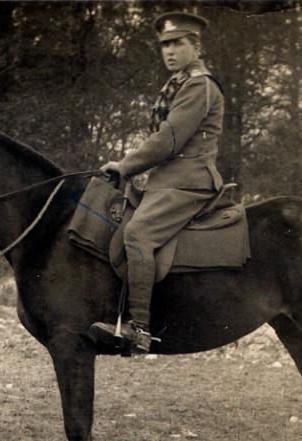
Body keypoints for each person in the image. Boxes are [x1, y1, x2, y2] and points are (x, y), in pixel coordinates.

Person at [91, 11, 225, 352]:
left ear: (196, 47)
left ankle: (139, 329)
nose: (169, 51)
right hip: (166, 181)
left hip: (188, 182)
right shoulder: (179, 84)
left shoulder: (199, 86)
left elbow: (169, 140)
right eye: (165, 44)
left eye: (178, 43)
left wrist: (125, 166)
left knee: (137, 234)